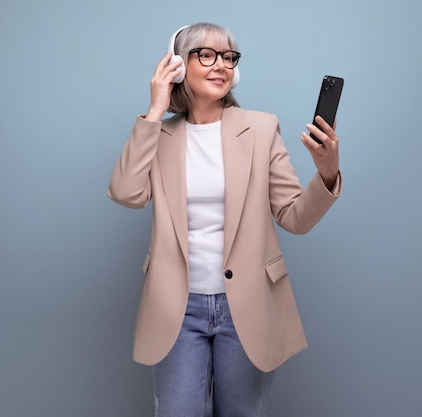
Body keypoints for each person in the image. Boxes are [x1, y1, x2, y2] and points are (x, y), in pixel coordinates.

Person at [108, 22, 342, 417]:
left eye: (229, 57)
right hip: (177, 310)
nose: (222, 66)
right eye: (207, 55)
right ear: (178, 65)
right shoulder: (159, 135)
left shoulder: (261, 128)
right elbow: (127, 193)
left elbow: (294, 217)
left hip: (247, 306)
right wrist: (154, 108)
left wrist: (327, 174)